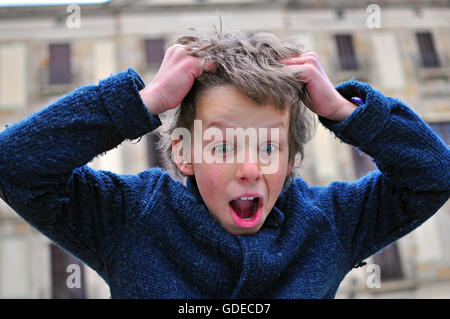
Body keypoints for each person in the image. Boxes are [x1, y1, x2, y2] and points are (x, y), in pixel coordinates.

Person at [0, 29, 448, 298]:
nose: (250, 168)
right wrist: (142, 101)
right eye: (223, 146)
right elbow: (13, 163)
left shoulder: (330, 222)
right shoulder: (127, 217)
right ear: (182, 152)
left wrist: (343, 110)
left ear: (293, 161)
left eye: (269, 147)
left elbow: (433, 175)